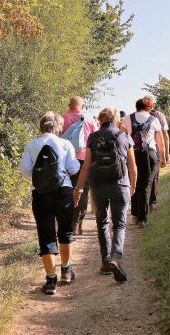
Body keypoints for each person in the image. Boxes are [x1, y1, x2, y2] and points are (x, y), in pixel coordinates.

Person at [20, 112, 80, 295]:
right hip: (63, 192)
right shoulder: (65, 144)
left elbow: (25, 170)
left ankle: (51, 280)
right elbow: (74, 168)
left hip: (41, 194)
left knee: (46, 236)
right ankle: (67, 271)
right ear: (58, 127)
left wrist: (42, 177)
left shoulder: (32, 144)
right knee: (65, 231)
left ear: (41, 126)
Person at [74, 107, 137, 282]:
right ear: (116, 119)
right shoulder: (124, 136)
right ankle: (116, 257)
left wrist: (78, 188)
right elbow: (132, 166)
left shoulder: (93, 137)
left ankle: (104, 262)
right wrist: (133, 186)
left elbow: (86, 166)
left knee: (102, 222)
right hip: (120, 184)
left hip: (98, 185)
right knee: (119, 224)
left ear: (100, 120)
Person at [121, 98, 166, 227]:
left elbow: (122, 138)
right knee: (146, 185)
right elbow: (160, 142)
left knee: (133, 182)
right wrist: (162, 158)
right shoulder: (154, 120)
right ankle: (142, 218)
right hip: (149, 154)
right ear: (149, 107)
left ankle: (134, 214)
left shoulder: (128, 118)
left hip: (132, 154)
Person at [62, 96, 97, 235]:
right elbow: (95, 138)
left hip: (66, 159)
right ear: (82, 106)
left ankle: (67, 220)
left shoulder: (63, 118)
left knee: (67, 189)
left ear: (70, 105)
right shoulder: (89, 119)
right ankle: (77, 223)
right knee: (83, 190)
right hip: (84, 159)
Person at [143, 95, 170, 212]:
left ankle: (143, 204)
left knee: (142, 177)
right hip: (156, 150)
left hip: (140, 150)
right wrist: (166, 154)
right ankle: (152, 203)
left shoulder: (136, 115)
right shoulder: (159, 115)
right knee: (154, 177)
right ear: (153, 104)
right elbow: (165, 135)